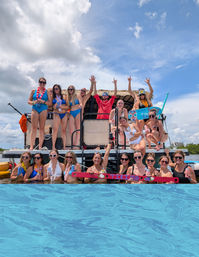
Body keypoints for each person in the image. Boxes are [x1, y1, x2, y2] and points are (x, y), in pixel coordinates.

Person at [28, 77, 51, 150]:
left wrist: (43, 101)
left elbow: (50, 103)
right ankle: (31, 146)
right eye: (41, 82)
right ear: (38, 82)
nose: (42, 84)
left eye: (44, 82)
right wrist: (34, 102)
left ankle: (40, 146)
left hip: (43, 109)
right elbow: (29, 101)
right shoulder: (33, 91)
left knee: (41, 128)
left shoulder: (47, 92)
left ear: (45, 84)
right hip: (35, 108)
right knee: (33, 128)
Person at [51, 84, 69, 150]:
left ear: (59, 89)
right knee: (55, 130)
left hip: (64, 114)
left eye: (57, 88)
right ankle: (53, 146)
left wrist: (62, 107)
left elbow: (68, 107)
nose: (56, 90)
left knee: (63, 130)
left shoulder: (64, 96)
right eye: (54, 89)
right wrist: (55, 106)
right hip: (56, 114)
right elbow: (51, 106)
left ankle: (64, 146)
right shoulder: (52, 97)